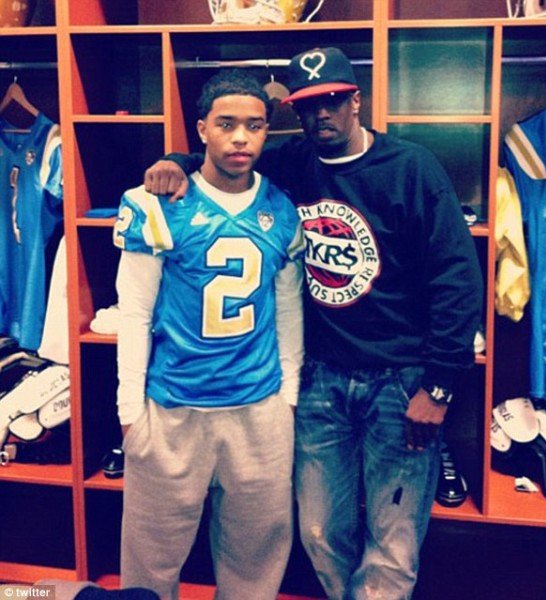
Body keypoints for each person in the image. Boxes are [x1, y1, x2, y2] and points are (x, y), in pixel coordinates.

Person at [144, 47, 483, 600]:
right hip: (321, 380)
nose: (321, 114)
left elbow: (457, 277)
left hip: (400, 382)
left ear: (356, 101)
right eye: (307, 106)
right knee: (320, 532)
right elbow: (224, 157)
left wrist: (440, 385)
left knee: (393, 541)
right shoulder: (291, 163)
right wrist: (175, 162)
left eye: (332, 101)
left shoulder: (409, 168)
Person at [113, 70, 304, 600]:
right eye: (226, 124)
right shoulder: (156, 204)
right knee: (150, 561)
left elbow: (288, 310)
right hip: (174, 408)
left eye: (254, 126)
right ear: (201, 129)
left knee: (255, 562)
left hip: (259, 409)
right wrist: (130, 412)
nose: (241, 138)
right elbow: (134, 312)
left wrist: (287, 395)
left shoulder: (281, 208)